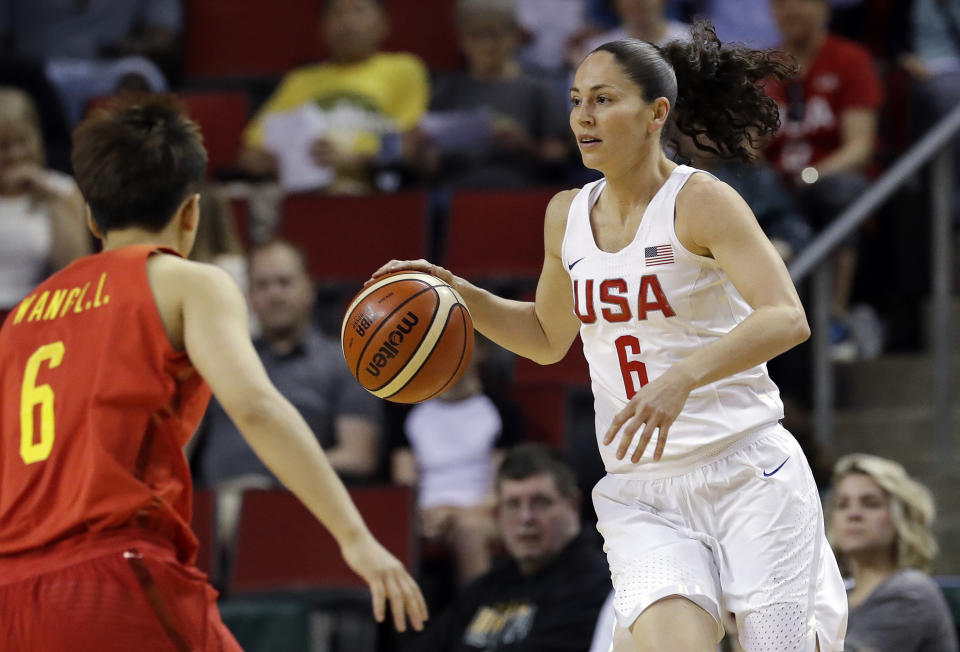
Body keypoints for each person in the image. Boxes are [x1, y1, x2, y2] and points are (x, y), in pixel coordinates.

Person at [374, 21, 847, 651]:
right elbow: (545, 336)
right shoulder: (565, 213)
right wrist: (458, 293)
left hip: (745, 472)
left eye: (603, 99)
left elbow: (787, 316)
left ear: (656, 113)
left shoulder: (700, 200)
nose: (583, 117)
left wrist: (681, 377)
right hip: (642, 490)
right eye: (575, 100)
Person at [0, 95, 426, 650]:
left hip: (12, 593)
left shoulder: (22, 315)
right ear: (191, 214)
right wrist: (355, 538)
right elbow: (256, 407)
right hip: (113, 572)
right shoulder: (186, 282)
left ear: (90, 215)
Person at [763, 0, 883, 360]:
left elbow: (859, 148)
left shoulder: (849, 59)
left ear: (824, 10)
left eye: (800, 4)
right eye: (781, 6)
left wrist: (809, 176)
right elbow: (748, 146)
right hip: (775, 185)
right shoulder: (764, 68)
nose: (791, 13)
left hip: (826, 179)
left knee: (840, 190)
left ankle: (836, 315)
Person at [409, 443, 611, 651]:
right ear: (498, 514)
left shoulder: (597, 583)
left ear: (573, 505)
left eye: (540, 502)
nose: (526, 518)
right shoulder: (484, 589)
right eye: (513, 505)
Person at [237, 0, 429, 194]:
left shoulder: (403, 70)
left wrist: (353, 159)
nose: (348, 22)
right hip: (303, 194)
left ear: (383, 23)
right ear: (322, 28)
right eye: (337, 14)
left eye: (359, 11)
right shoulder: (300, 80)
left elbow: (409, 147)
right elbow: (250, 152)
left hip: (373, 193)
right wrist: (268, 161)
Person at [391, 334, 520, 586]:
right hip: (423, 516)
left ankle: (477, 621)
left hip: (482, 515)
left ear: (482, 350)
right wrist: (423, 516)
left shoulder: (502, 411)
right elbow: (403, 487)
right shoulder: (407, 412)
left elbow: (500, 492)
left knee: (468, 530)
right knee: (391, 529)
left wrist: (451, 515)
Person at [412, 0, 569, 189]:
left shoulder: (540, 89)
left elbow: (559, 155)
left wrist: (526, 146)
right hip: (456, 194)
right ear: (462, 39)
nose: (486, 44)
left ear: (514, 35)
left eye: (495, 34)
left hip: (519, 193)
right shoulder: (445, 91)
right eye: (475, 35)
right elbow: (427, 161)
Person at [828, 454, 959, 652]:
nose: (853, 514)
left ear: (901, 518)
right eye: (842, 504)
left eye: (870, 503)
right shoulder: (838, 597)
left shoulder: (911, 592)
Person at [0, 87, 90, 314]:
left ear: (38, 138)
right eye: (3, 146)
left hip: (40, 315)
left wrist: (48, 196)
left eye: (23, 141)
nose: (15, 154)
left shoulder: (64, 191)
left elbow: (75, 273)